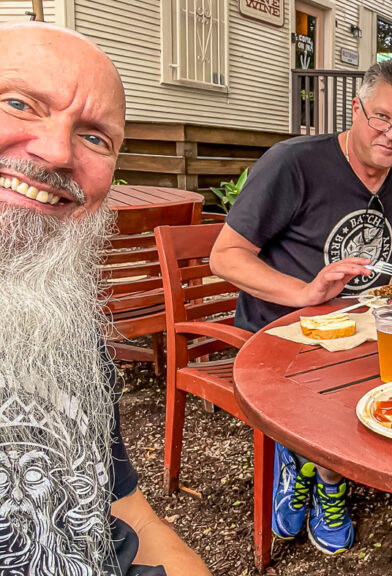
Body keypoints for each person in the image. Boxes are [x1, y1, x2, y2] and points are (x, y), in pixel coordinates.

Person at [209, 60, 392, 555]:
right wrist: (306, 293)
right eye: (380, 117)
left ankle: (313, 466)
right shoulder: (293, 162)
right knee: (346, 392)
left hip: (363, 327)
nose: (391, 133)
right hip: (282, 334)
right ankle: (321, 474)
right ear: (355, 108)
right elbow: (225, 257)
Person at [0, 21, 210, 575]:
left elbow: (123, 512)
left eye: (95, 137)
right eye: (19, 103)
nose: (55, 152)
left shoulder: (57, 324)